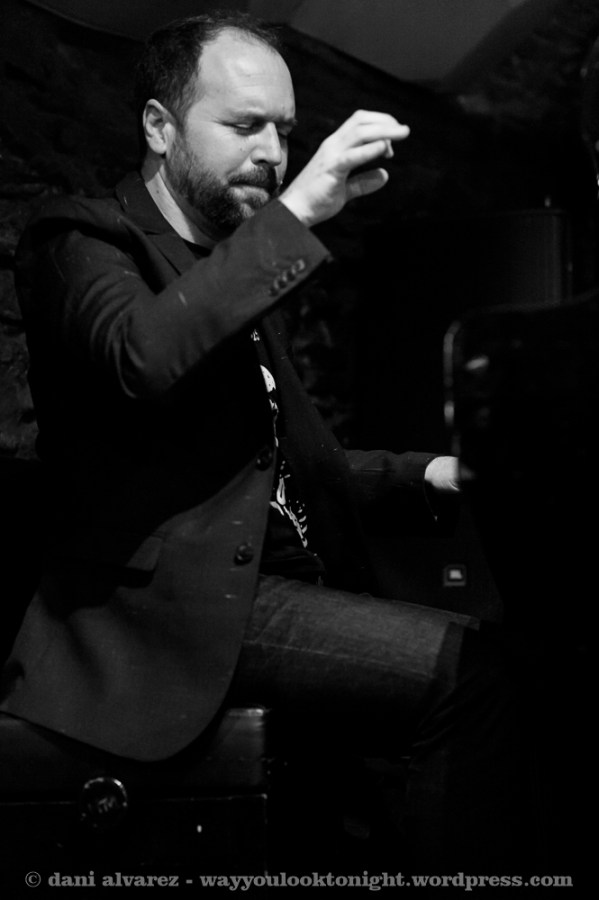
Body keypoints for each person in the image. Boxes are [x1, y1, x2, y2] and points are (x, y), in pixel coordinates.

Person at [1, 11, 535, 872]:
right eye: (244, 125)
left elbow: (289, 467)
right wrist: (298, 213)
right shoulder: (79, 239)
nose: (272, 153)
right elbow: (143, 356)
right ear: (159, 126)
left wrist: (429, 471)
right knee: (472, 676)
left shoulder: (229, 271)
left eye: (284, 132)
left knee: (496, 662)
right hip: (169, 616)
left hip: (270, 592)